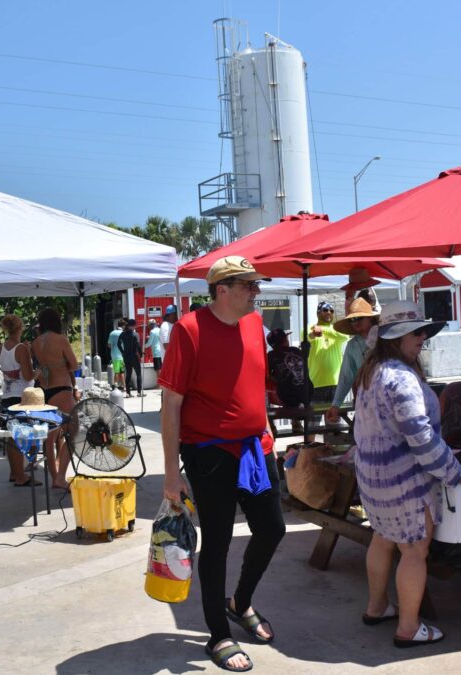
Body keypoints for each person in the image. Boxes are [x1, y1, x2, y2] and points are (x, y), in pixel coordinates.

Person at [159, 255, 283, 673]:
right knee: (217, 543)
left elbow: (256, 383)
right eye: (249, 285)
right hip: (209, 452)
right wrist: (172, 473)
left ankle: (240, 602)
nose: (256, 292)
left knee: (273, 528)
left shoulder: (253, 325)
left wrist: (268, 433)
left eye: (256, 285)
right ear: (222, 289)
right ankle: (219, 634)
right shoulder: (188, 330)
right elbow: (171, 404)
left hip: (254, 446)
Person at [352, 300, 461, 648]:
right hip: (405, 483)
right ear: (396, 336)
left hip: (373, 479)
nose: (423, 339)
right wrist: (452, 470)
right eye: (417, 332)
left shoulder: (372, 371)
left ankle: (376, 606)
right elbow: (421, 437)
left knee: (382, 539)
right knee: (414, 551)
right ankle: (409, 627)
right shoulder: (400, 378)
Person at [31, 308, 80, 491]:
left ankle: (54, 477)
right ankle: (60, 477)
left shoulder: (35, 343)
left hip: (45, 390)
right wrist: (61, 365)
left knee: (49, 438)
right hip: (62, 390)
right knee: (72, 433)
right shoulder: (61, 340)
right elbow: (74, 365)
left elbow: (40, 368)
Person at [0, 314, 39, 486]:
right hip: (21, 396)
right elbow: (27, 375)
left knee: (11, 436)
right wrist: (38, 372)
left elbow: (8, 368)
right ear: (20, 328)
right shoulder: (21, 348)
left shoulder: (1, 347)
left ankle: (15, 473)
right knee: (19, 436)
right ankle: (21, 476)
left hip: (6, 395)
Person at [326, 295, 380, 424]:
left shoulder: (385, 339)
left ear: (370, 318)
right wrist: (336, 404)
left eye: (359, 317)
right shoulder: (352, 345)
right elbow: (346, 377)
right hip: (365, 402)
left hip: (388, 400)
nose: (355, 322)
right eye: (352, 319)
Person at [308, 301, 349, 405]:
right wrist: (314, 333)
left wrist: (322, 329)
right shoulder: (310, 328)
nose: (329, 312)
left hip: (336, 384)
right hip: (315, 384)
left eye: (331, 310)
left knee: (334, 420)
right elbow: (308, 337)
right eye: (325, 310)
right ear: (318, 313)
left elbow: (345, 336)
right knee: (313, 421)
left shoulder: (336, 330)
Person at [266, 328, 309, 407]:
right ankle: (296, 416)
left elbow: (265, 376)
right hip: (308, 392)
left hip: (286, 396)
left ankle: (294, 417)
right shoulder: (296, 350)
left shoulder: (271, 355)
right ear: (285, 341)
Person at [119, 318, 144, 397]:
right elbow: (138, 345)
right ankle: (139, 392)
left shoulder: (123, 334)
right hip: (134, 355)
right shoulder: (135, 334)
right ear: (133, 326)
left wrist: (122, 352)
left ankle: (128, 393)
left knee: (128, 374)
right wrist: (141, 354)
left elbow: (118, 344)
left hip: (126, 356)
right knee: (138, 374)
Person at [107, 318, 126, 389]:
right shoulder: (123, 333)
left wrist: (113, 348)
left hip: (114, 354)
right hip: (122, 355)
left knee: (117, 371)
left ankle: (117, 385)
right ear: (123, 326)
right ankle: (122, 386)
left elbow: (109, 345)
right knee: (121, 372)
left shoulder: (112, 333)